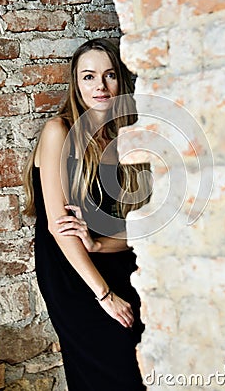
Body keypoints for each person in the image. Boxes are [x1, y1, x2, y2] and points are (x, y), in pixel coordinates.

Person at [23, 38, 151, 391]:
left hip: (113, 256)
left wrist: (102, 245)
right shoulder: (58, 131)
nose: (101, 86)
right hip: (73, 272)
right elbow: (58, 227)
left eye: (110, 75)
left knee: (144, 368)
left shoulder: (126, 136)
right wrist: (105, 294)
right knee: (112, 371)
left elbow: (144, 229)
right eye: (89, 77)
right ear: (76, 84)